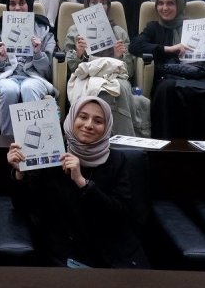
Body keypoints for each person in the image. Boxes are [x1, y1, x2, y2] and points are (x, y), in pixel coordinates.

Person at [8, 96, 149, 268]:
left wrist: (83, 183)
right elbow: (23, 206)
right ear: (72, 118)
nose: (89, 125)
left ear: (107, 127)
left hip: (111, 254)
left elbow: (120, 215)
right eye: (82, 117)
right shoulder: (51, 156)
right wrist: (20, 173)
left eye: (98, 121)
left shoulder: (117, 160)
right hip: (66, 255)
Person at [129, 0, 205, 140]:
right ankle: (169, 148)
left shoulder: (198, 28)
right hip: (170, 77)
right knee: (167, 89)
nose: (164, 8)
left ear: (179, 5)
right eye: (160, 3)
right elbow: (135, 46)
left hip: (199, 76)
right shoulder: (154, 27)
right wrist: (170, 49)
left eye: (170, 3)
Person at [63, 0, 140, 137]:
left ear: (108, 6)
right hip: (86, 75)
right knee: (94, 89)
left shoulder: (119, 31)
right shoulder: (74, 30)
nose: (99, 6)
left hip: (113, 75)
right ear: (87, 4)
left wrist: (119, 56)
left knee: (122, 87)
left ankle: (122, 138)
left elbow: (129, 71)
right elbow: (69, 68)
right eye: (94, 2)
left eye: (104, 3)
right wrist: (79, 54)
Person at [0, 0, 57, 136]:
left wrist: (38, 53)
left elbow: (49, 69)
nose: (17, 8)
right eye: (12, 3)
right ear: (7, 6)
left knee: (28, 88)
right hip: (6, 77)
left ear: (29, 5)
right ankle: (8, 142)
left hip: (34, 77)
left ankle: (34, 145)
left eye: (22, 3)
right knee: (9, 90)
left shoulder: (44, 29)